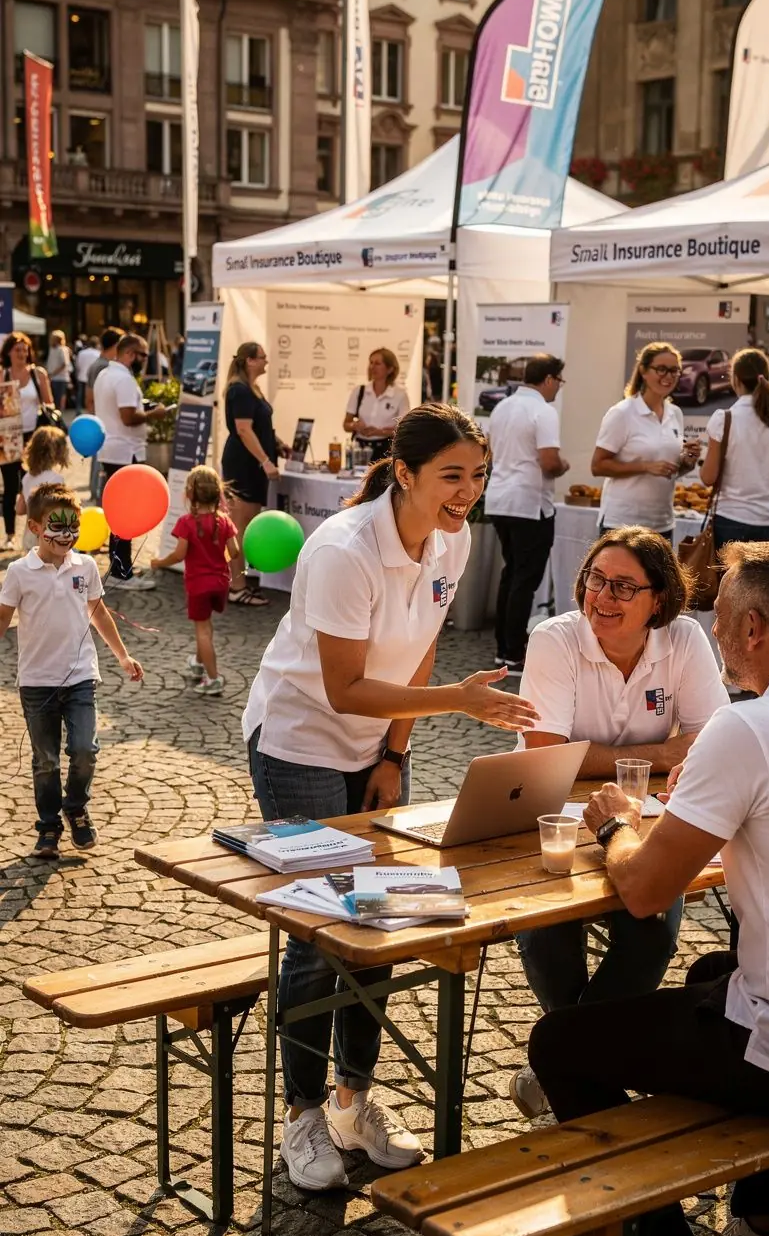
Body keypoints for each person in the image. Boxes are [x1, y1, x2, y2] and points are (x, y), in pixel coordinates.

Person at [243, 404, 538, 1193]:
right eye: (452, 476)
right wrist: (461, 705)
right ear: (403, 473)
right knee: (317, 936)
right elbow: (340, 688)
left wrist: (395, 752)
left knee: (377, 918)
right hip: (298, 746)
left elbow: (422, 643)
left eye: (477, 475)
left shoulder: (452, 536)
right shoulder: (342, 549)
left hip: (372, 748)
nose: (468, 492)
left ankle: (353, 1102)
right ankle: (302, 1115)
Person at [529, 540, 769, 1236]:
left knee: (559, 1043)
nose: (710, 629)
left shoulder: (752, 727)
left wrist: (619, 825)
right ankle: (767, 1227)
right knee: (709, 974)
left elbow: (649, 891)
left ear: (753, 628)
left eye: (719, 614)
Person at [509, 526, 729, 1119]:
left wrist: (603, 754)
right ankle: (578, 1054)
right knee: (547, 927)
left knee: (652, 924)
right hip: (560, 816)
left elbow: (713, 738)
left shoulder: (684, 639)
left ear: (659, 599)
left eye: (624, 587)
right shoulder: (554, 639)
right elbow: (546, 748)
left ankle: (566, 1054)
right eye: (595, 580)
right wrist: (659, 753)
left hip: (655, 822)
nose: (602, 596)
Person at [0, 484, 144, 858]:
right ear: (34, 526)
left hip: (81, 677)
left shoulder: (85, 566)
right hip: (36, 683)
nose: (66, 535)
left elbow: (98, 612)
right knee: (45, 760)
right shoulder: (19, 572)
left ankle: (76, 806)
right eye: (57, 526)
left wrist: (123, 657)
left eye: (73, 526)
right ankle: (48, 828)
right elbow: (2, 620)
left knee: (85, 749)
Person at [485, 356, 570, 674]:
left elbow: (492, 454)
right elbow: (549, 462)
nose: (559, 389)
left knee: (512, 573)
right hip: (529, 504)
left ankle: (502, 647)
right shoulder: (544, 411)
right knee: (524, 578)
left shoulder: (502, 407)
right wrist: (564, 466)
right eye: (559, 382)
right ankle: (513, 653)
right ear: (548, 379)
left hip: (500, 500)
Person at [592, 343, 700, 539]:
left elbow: (670, 472)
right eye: (661, 369)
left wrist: (687, 462)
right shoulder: (622, 413)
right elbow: (598, 466)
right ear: (643, 370)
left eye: (674, 371)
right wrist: (644, 466)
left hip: (662, 523)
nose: (668, 376)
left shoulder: (675, 413)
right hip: (622, 525)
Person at [150, 465, 239, 696]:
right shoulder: (224, 521)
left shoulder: (186, 523)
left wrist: (159, 562)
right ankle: (199, 665)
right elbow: (235, 551)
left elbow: (179, 554)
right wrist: (219, 559)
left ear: (189, 494)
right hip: (220, 583)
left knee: (202, 631)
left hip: (198, 586)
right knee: (206, 626)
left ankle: (213, 678)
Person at [701, 348, 769, 552]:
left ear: (735, 379)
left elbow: (708, 477)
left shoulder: (723, 419)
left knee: (731, 584)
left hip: (731, 519)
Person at [94, 333, 170, 589]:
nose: (145, 360)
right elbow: (128, 417)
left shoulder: (105, 374)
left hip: (112, 449)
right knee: (124, 513)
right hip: (125, 451)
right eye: (143, 355)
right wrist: (154, 413)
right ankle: (121, 571)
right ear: (129, 354)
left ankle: (120, 565)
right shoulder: (123, 378)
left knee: (118, 511)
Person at [221, 342, 282, 607]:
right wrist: (266, 461)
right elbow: (244, 430)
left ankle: (236, 581)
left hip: (249, 464)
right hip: (244, 465)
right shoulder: (240, 390)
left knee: (242, 525)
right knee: (240, 526)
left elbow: (258, 426)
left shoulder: (249, 389)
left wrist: (276, 442)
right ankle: (237, 586)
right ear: (249, 360)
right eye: (262, 357)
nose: (266, 361)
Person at [0, 332, 53, 550]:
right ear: (9, 352)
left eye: (25, 349)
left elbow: (49, 404)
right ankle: (10, 535)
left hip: (35, 437)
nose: (22, 353)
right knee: (11, 487)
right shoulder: (3, 374)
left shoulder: (37, 374)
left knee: (35, 486)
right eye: (17, 350)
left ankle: (36, 534)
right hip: (9, 437)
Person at [344, 348, 410, 463]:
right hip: (360, 450)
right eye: (371, 362)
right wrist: (355, 426)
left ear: (390, 369)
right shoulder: (359, 391)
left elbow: (405, 430)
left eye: (378, 363)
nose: (372, 367)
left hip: (387, 450)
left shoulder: (400, 395)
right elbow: (346, 424)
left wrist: (380, 432)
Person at [85, 327, 126, 502]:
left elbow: (88, 398)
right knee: (102, 462)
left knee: (97, 459)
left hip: (97, 419)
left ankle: (95, 492)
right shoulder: (105, 367)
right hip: (105, 422)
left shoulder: (95, 365)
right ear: (116, 345)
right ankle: (99, 495)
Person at [16, 426, 72, 552]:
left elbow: (20, 509)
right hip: (50, 538)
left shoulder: (27, 478)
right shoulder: (56, 480)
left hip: (30, 537)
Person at [46, 330, 71, 411]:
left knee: (58, 399)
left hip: (60, 378)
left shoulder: (63, 349)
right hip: (52, 377)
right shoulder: (52, 349)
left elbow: (64, 364)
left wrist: (53, 373)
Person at [74, 337, 99, 411]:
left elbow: (77, 365)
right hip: (93, 378)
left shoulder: (81, 353)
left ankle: (78, 410)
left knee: (80, 394)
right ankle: (91, 410)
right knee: (92, 395)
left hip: (82, 376)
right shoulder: (97, 354)